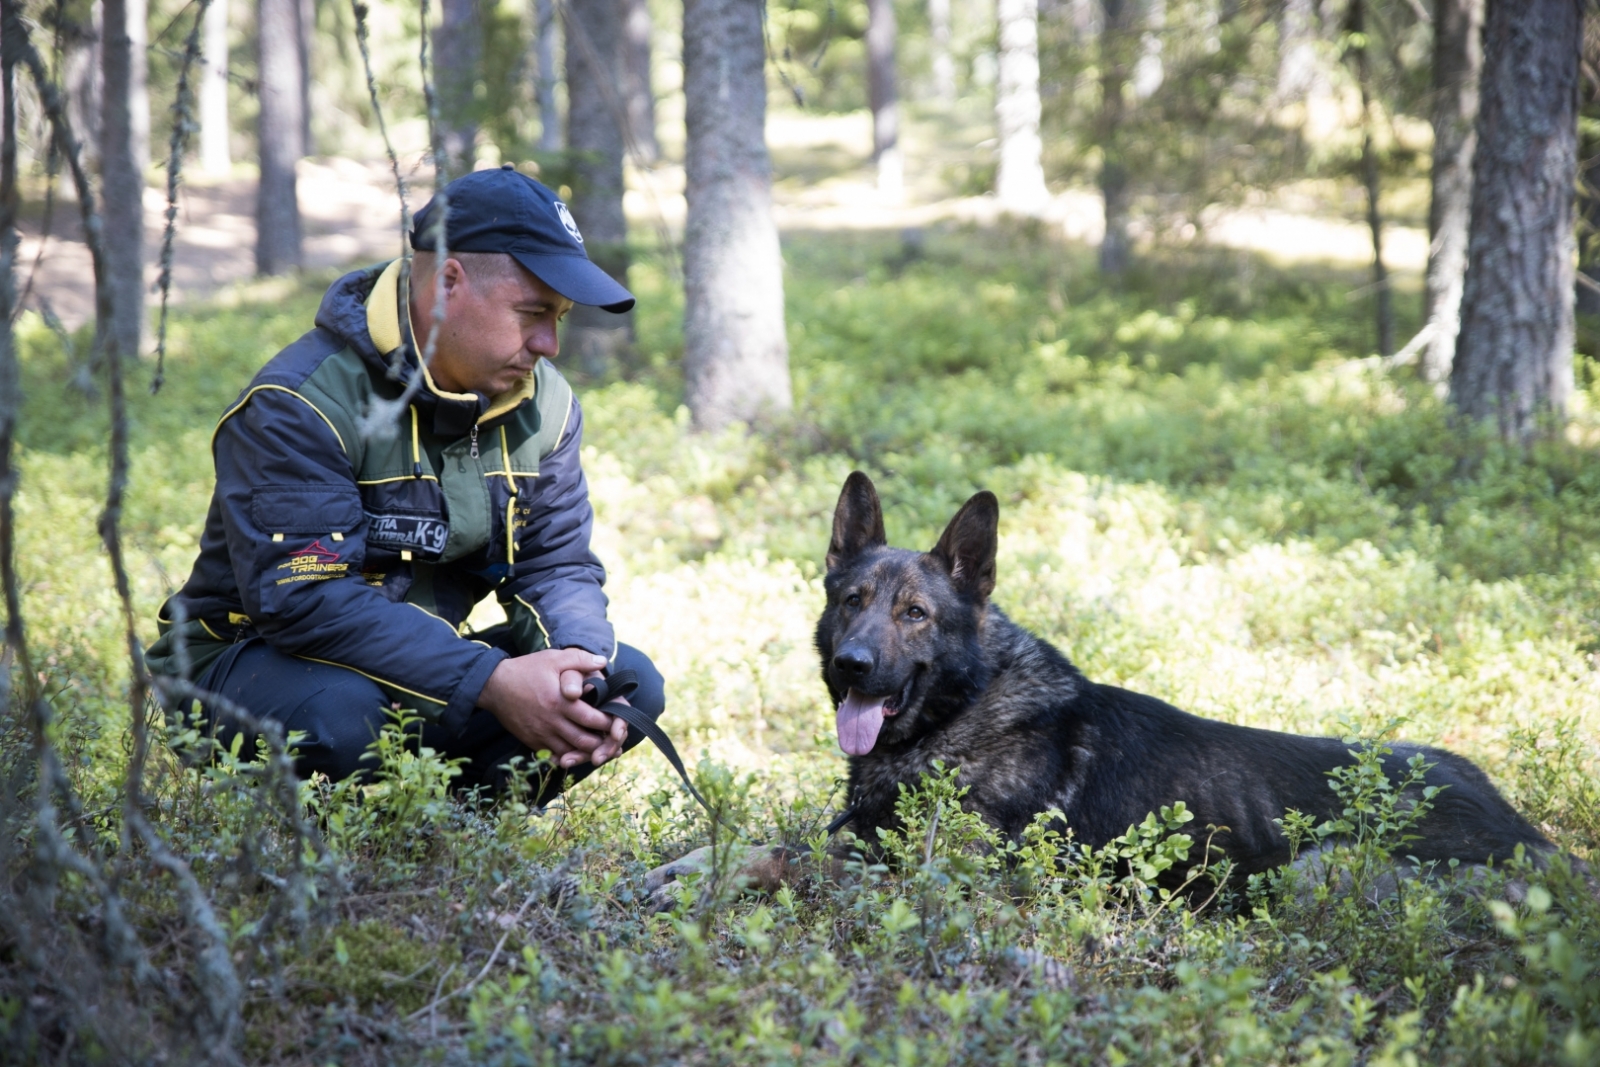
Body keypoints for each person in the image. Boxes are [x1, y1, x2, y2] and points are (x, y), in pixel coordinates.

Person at [145, 167, 663, 800]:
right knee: (344, 718)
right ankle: (345, 856)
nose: (549, 345)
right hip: (254, 662)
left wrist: (574, 671)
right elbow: (304, 603)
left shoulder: (543, 404)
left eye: (559, 318)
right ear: (448, 282)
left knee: (627, 682)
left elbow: (554, 564)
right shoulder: (300, 403)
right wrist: (492, 682)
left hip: (424, 668)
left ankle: (454, 843)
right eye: (532, 313)